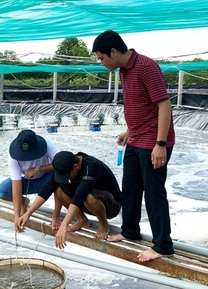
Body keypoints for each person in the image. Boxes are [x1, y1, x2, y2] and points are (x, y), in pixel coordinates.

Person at [92, 30, 175, 262]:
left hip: (154, 141)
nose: (102, 63)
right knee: (130, 188)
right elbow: (140, 104)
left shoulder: (146, 67)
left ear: (113, 51)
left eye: (102, 58)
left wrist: (160, 144)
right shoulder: (123, 72)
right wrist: (129, 130)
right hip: (137, 138)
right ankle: (130, 231)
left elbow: (164, 106)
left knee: (154, 193)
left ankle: (163, 245)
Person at [17, 151, 122, 249]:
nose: (66, 177)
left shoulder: (92, 166)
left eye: (67, 175)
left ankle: (104, 225)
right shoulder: (65, 162)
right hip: (87, 201)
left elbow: (80, 195)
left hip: (111, 205)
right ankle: (83, 220)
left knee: (88, 196)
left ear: (75, 167)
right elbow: (47, 189)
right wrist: (27, 214)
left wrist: (64, 225)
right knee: (59, 189)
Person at [0, 129, 59, 231]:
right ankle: (24, 202)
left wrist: (38, 169)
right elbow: (16, 185)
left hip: (47, 177)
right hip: (28, 180)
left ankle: (55, 215)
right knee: (2, 191)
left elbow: (62, 163)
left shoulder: (47, 143)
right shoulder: (13, 155)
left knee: (60, 175)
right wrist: (16, 217)